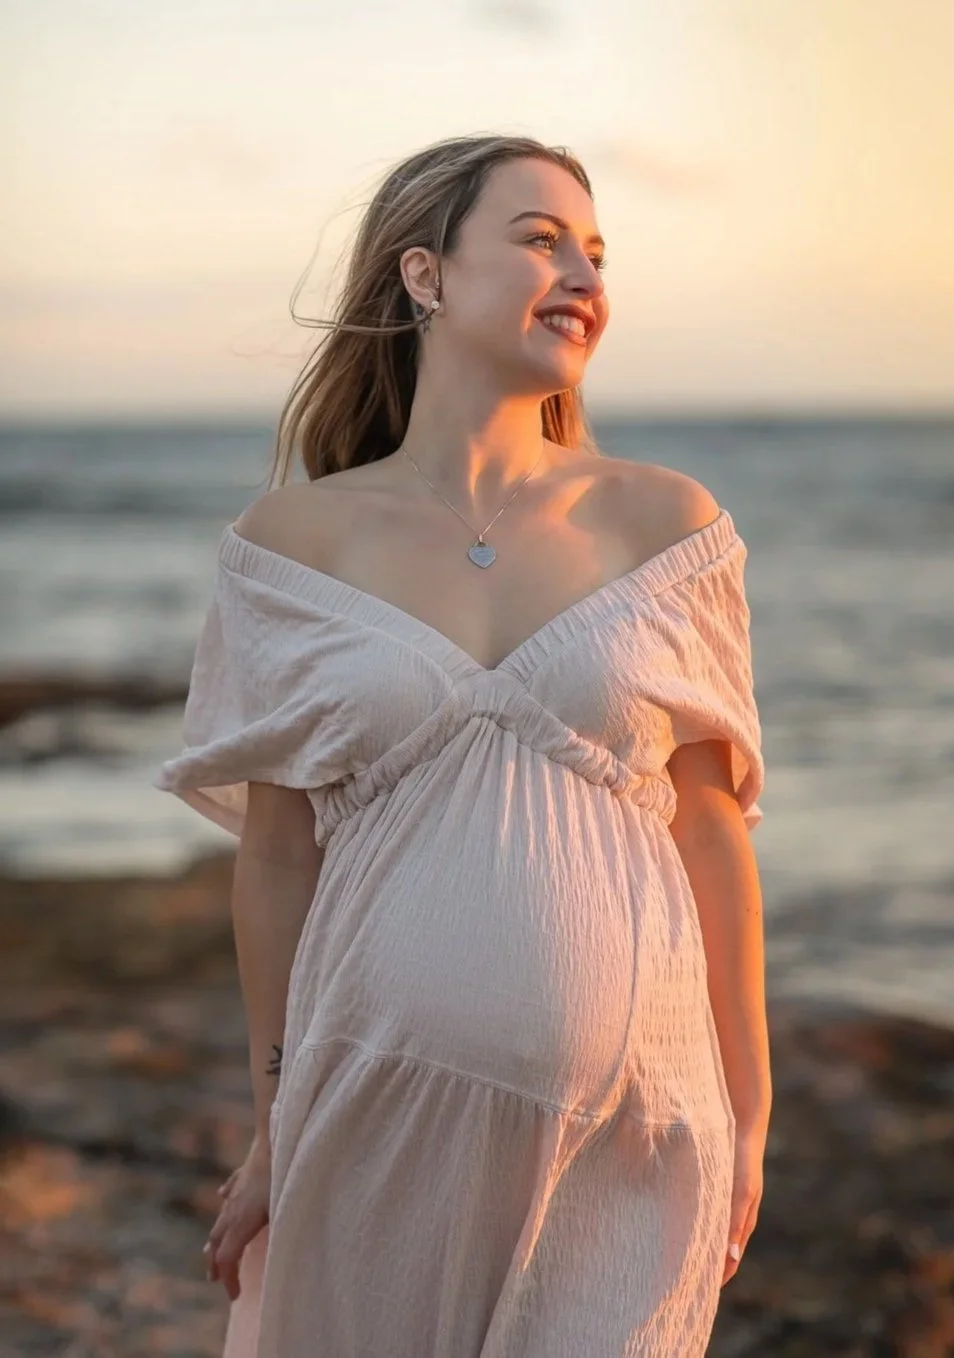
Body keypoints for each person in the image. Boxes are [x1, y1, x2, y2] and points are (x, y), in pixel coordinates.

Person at [154, 132, 772, 1358]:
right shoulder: (295, 539)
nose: (583, 276)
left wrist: (748, 1113)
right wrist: (277, 1127)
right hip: (375, 1111)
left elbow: (710, 831)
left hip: (636, 1120)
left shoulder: (665, 522)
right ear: (423, 275)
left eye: (596, 253)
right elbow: (277, 858)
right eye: (540, 240)